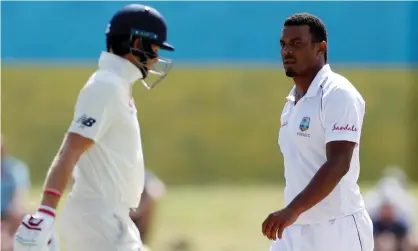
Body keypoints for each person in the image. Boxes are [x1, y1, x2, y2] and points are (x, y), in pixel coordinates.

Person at [13, 4, 175, 251]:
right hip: (100, 222)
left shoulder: (116, 86)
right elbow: (70, 150)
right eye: (153, 49)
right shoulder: (106, 86)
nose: (154, 59)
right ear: (135, 43)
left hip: (108, 219)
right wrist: (45, 213)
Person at [261, 13, 373, 251]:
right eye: (283, 44)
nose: (286, 51)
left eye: (296, 43)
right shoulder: (292, 101)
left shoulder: (339, 93)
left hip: (338, 232)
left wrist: (292, 209)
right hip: (294, 230)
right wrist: (294, 212)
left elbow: (339, 163)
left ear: (320, 47)